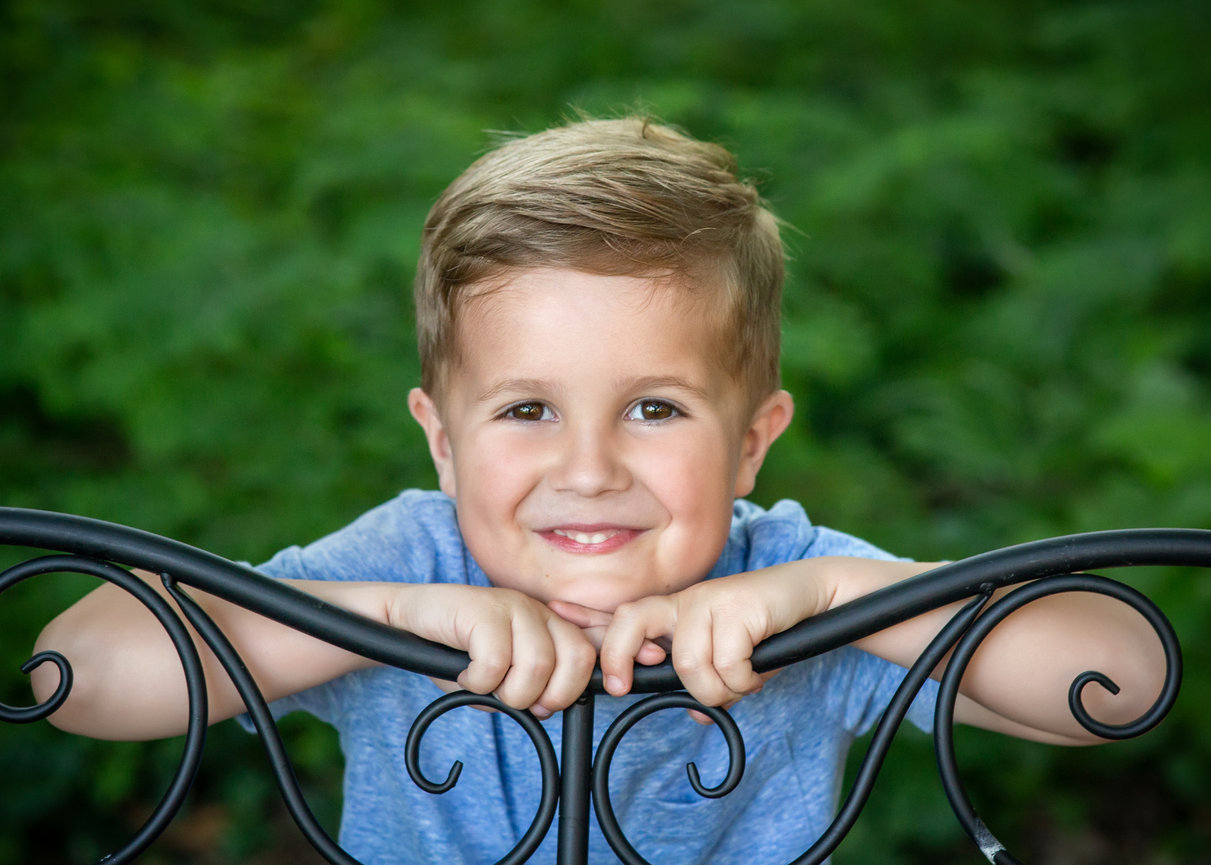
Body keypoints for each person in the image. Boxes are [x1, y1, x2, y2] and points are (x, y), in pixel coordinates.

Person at [33, 116, 1164, 864]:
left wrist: (833, 595)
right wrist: (383, 618)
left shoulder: (780, 573)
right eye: (527, 409)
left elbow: (1114, 676)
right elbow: (76, 675)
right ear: (439, 440)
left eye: (654, 408)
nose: (587, 468)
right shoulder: (407, 563)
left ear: (752, 443)